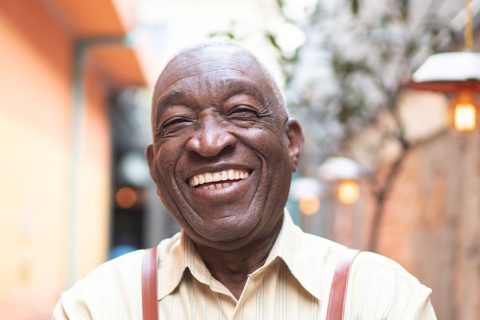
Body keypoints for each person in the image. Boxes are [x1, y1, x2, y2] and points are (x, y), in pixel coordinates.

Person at [53, 42, 436, 319]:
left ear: (291, 144)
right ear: (155, 167)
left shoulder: (383, 301)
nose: (208, 142)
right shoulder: (97, 306)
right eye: (178, 121)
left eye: (241, 111)